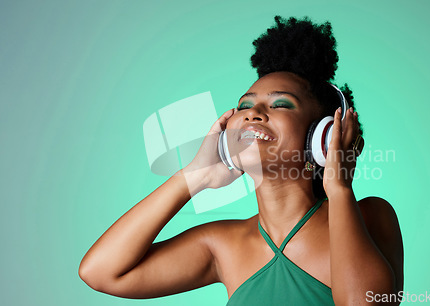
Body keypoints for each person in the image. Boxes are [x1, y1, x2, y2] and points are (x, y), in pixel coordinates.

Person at [79, 15, 403, 305]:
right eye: (245, 105)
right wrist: (196, 176)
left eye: (281, 105)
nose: (253, 115)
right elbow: (102, 272)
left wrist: (340, 189)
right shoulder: (222, 245)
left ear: (322, 136)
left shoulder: (370, 215)